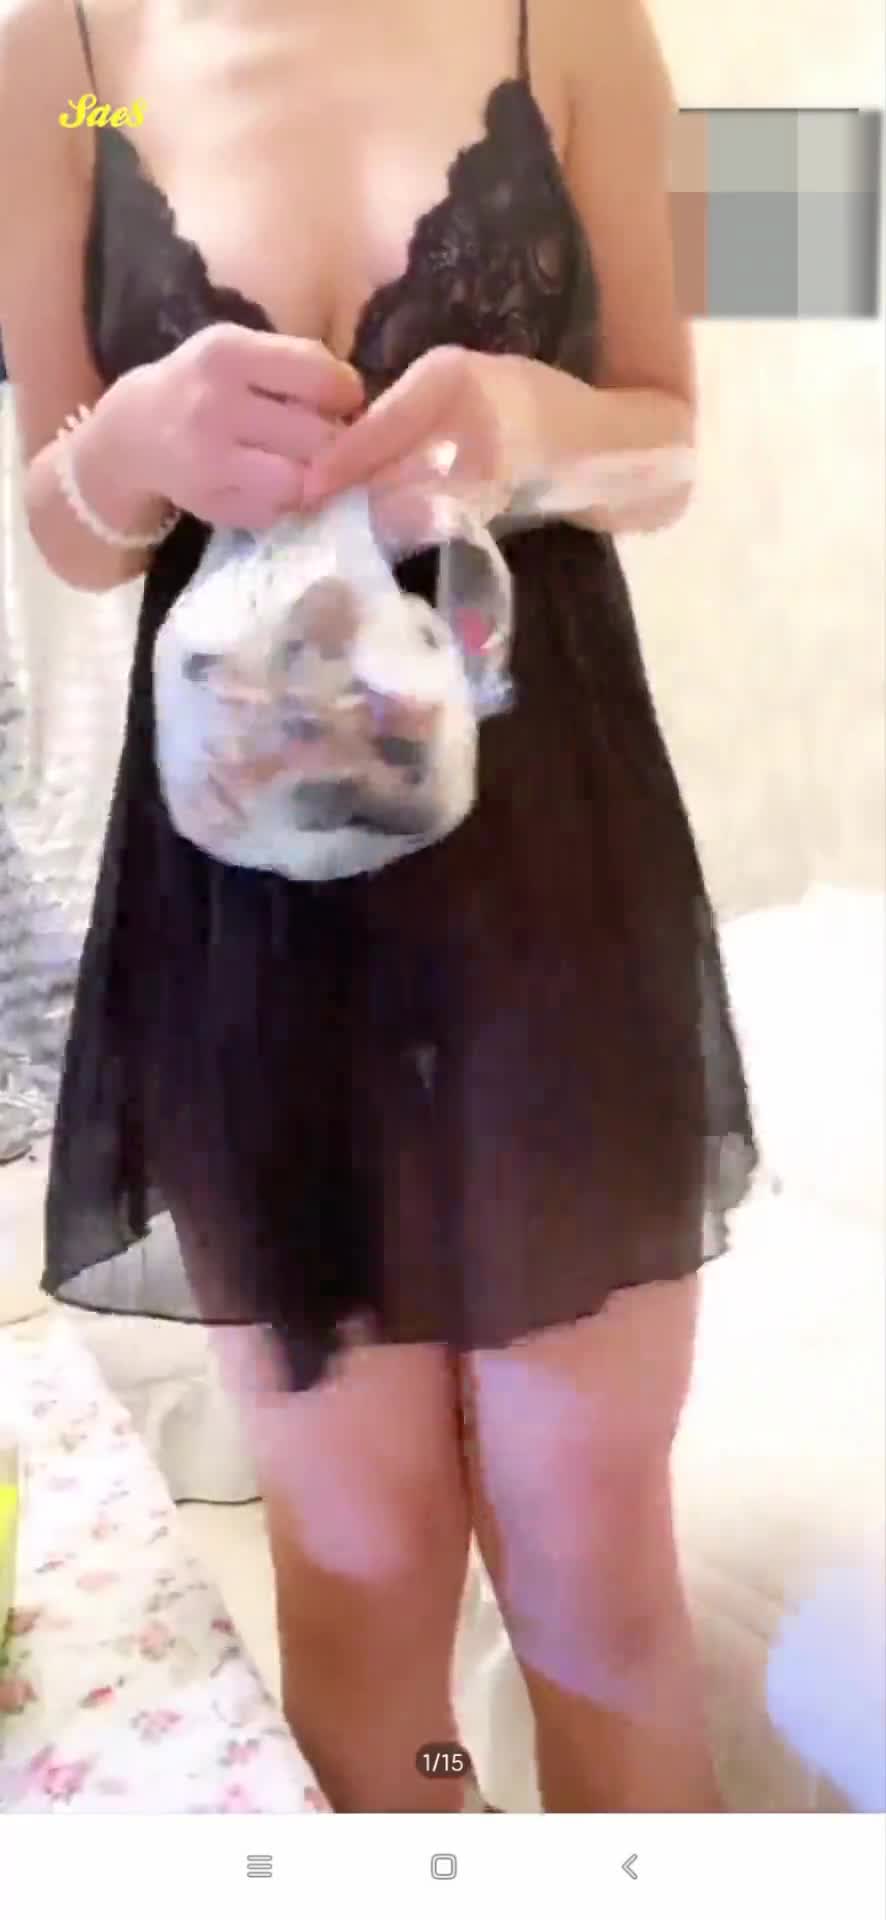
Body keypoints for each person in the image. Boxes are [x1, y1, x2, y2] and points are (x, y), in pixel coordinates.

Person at [0, 0, 756, 1813]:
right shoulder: (66, 59)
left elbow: (664, 443)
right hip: (246, 932)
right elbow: (67, 525)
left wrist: (526, 426)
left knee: (592, 1580)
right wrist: (130, 444)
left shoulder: (567, 21)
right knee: (356, 1584)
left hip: (552, 890)